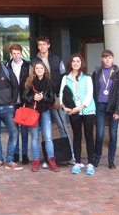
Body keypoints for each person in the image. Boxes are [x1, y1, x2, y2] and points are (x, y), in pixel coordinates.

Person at [36, 36, 74, 168]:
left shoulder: (57, 59)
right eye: (40, 44)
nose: (42, 47)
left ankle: (71, 157)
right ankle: (48, 158)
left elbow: (64, 79)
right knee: (45, 133)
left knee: (63, 128)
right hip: (42, 102)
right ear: (38, 46)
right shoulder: (34, 61)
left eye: (44, 44)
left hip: (57, 99)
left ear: (48, 45)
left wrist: (59, 98)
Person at [60, 54, 96, 175]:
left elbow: (89, 95)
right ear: (70, 63)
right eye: (73, 61)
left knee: (89, 136)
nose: (75, 63)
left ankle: (90, 163)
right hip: (73, 111)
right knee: (77, 137)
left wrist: (80, 108)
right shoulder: (65, 78)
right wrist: (65, 108)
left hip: (88, 111)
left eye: (78, 61)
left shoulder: (87, 77)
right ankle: (77, 163)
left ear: (81, 63)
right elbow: (61, 95)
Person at [21, 60, 58, 172]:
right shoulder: (29, 82)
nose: (39, 70)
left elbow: (52, 99)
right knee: (35, 137)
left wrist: (43, 98)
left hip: (45, 111)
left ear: (44, 70)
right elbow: (23, 97)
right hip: (33, 112)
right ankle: (35, 162)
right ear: (34, 70)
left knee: (47, 137)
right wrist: (33, 98)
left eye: (41, 68)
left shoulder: (49, 83)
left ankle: (52, 161)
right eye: (37, 68)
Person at [92, 50, 119, 170]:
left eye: (109, 58)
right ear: (102, 59)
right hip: (99, 105)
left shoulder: (118, 74)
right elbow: (94, 90)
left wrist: (118, 110)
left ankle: (111, 160)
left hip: (113, 106)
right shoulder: (96, 72)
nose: (107, 60)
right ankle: (97, 158)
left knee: (113, 134)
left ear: (113, 59)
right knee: (100, 134)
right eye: (105, 58)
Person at [6, 44, 31, 165]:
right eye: (14, 53)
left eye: (18, 53)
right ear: (11, 54)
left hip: (24, 101)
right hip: (12, 101)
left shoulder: (27, 66)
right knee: (13, 129)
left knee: (25, 129)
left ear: (21, 53)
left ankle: (25, 153)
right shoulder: (7, 66)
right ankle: (16, 152)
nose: (16, 56)